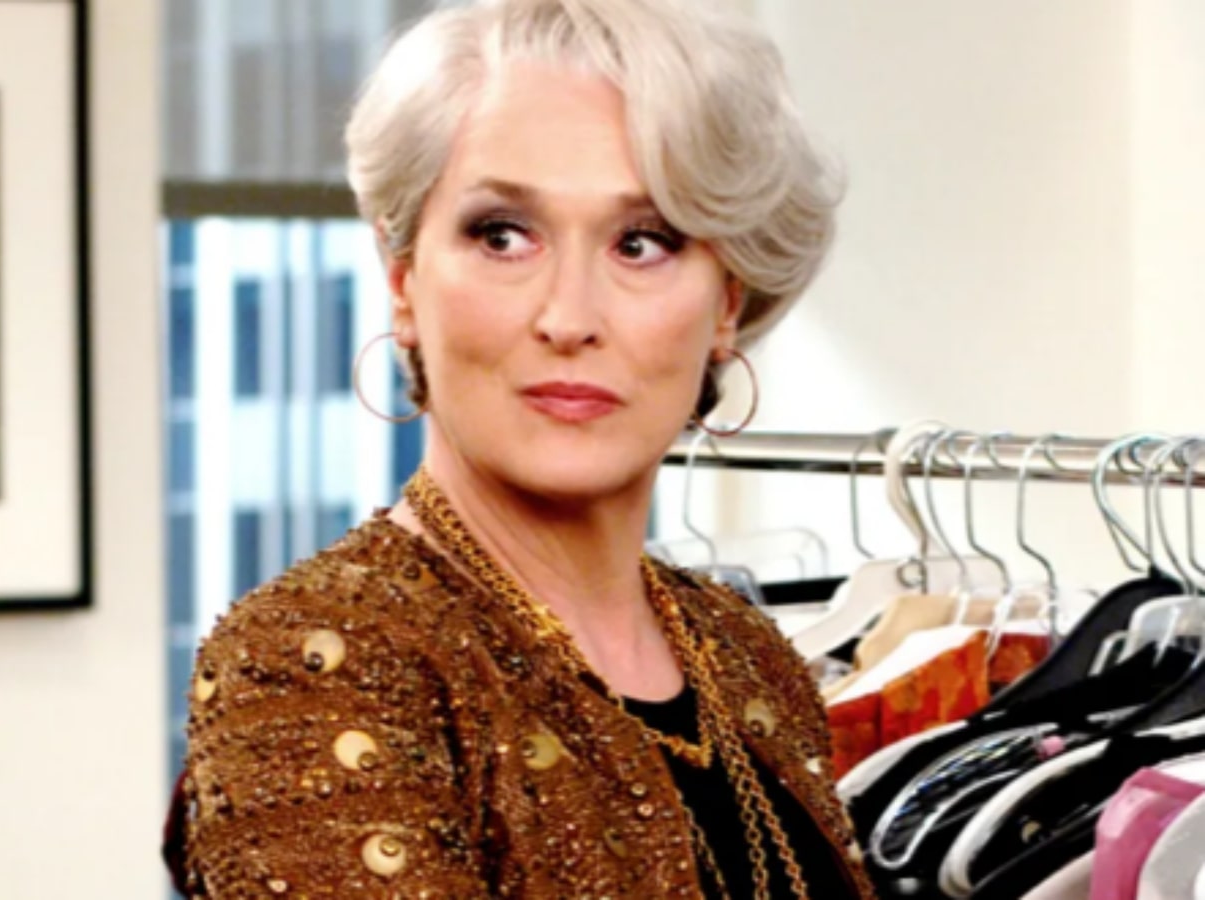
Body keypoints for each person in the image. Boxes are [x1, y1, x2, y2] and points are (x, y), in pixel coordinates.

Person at [171, 0, 872, 896]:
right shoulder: (313, 663)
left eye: (642, 243)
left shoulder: (745, 652)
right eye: (502, 236)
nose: (569, 317)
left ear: (726, 304)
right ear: (402, 279)